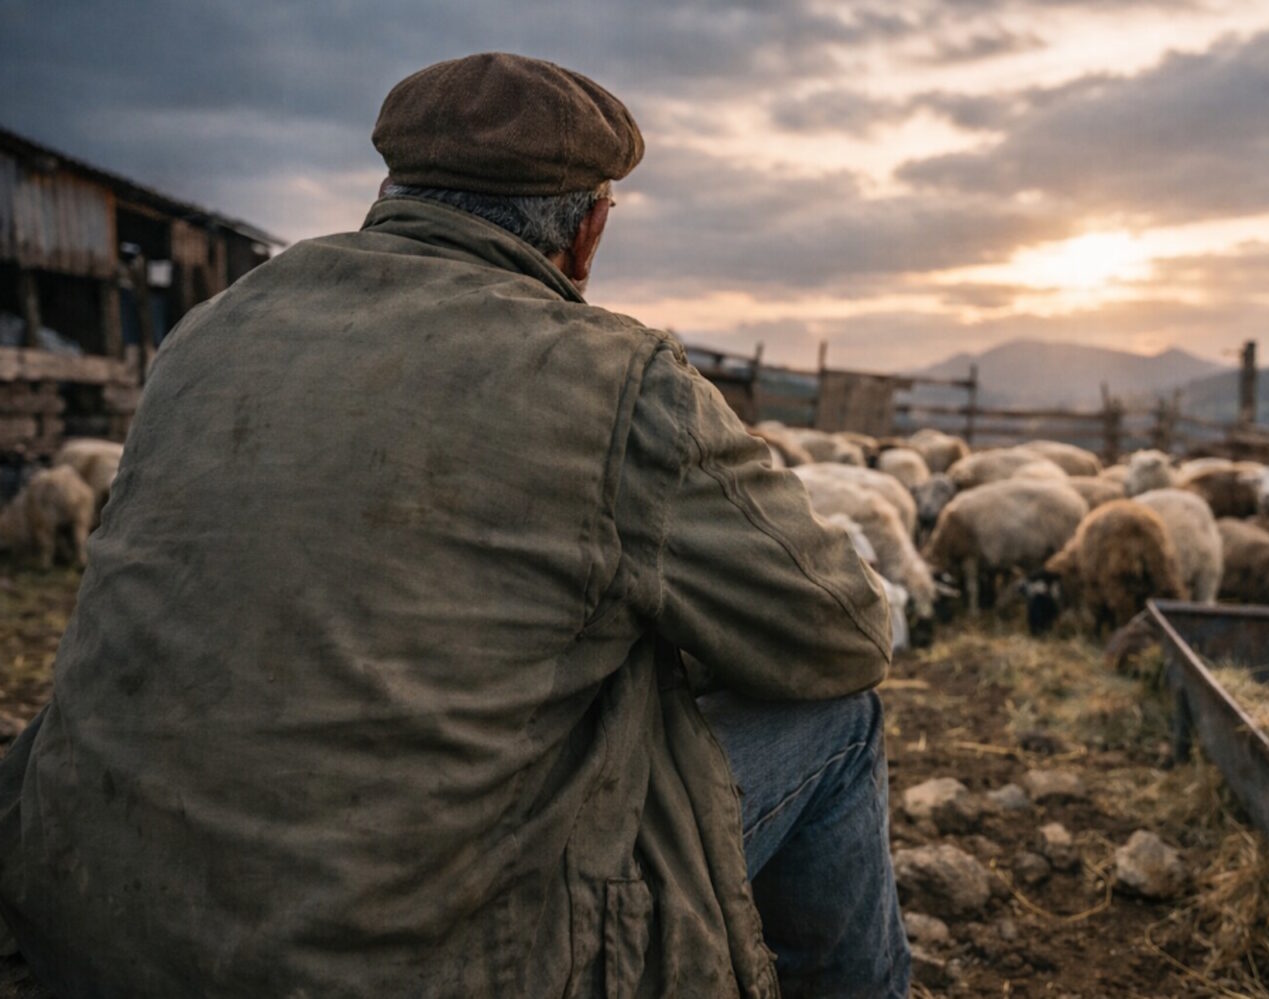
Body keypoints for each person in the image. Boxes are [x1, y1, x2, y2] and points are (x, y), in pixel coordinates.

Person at [0, 53, 911, 998]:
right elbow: (842, 633)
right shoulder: (617, 379)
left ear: (390, 190)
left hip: (91, 922)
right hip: (409, 967)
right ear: (590, 230)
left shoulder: (206, 332)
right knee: (838, 718)